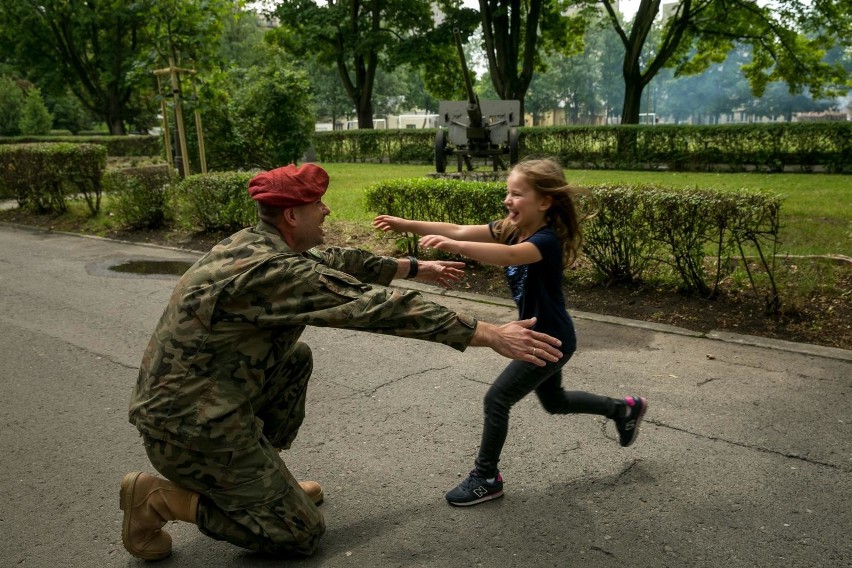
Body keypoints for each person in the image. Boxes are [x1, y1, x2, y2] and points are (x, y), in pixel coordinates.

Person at [121, 163, 564, 561]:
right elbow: (373, 307)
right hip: (187, 428)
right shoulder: (272, 273)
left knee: (295, 358)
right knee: (298, 534)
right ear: (293, 216)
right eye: (318, 205)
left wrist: (415, 267)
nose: (328, 210)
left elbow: (335, 260)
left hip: (201, 402)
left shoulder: (256, 243)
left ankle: (258, 483)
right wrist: (488, 333)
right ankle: (159, 498)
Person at [372, 158, 648, 507]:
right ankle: (624, 409)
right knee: (555, 402)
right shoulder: (512, 227)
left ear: (544, 202)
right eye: (507, 192)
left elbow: (507, 256)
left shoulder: (546, 240)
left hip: (547, 339)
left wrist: (452, 246)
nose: (507, 199)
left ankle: (486, 477)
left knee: (496, 399)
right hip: (545, 335)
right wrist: (403, 224)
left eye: (517, 194)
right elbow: (457, 228)